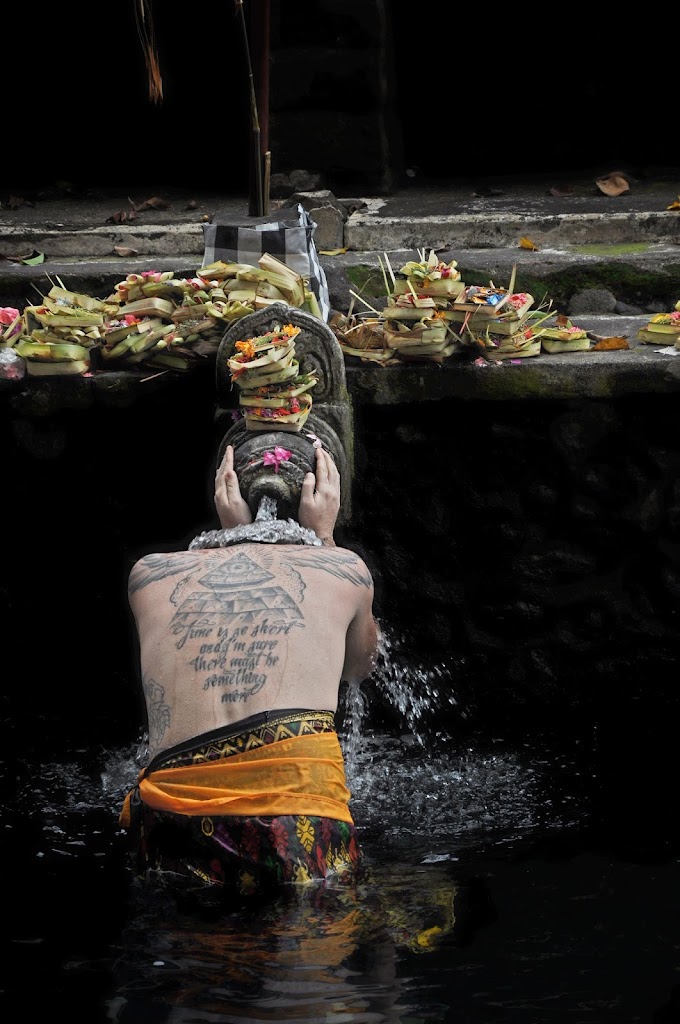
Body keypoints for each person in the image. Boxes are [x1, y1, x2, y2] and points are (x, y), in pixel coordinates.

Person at [119, 434, 380, 903]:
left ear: (227, 489)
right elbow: (359, 668)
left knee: (191, 962)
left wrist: (230, 530)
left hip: (172, 825)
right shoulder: (346, 569)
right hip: (296, 825)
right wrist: (324, 538)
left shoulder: (148, 574)